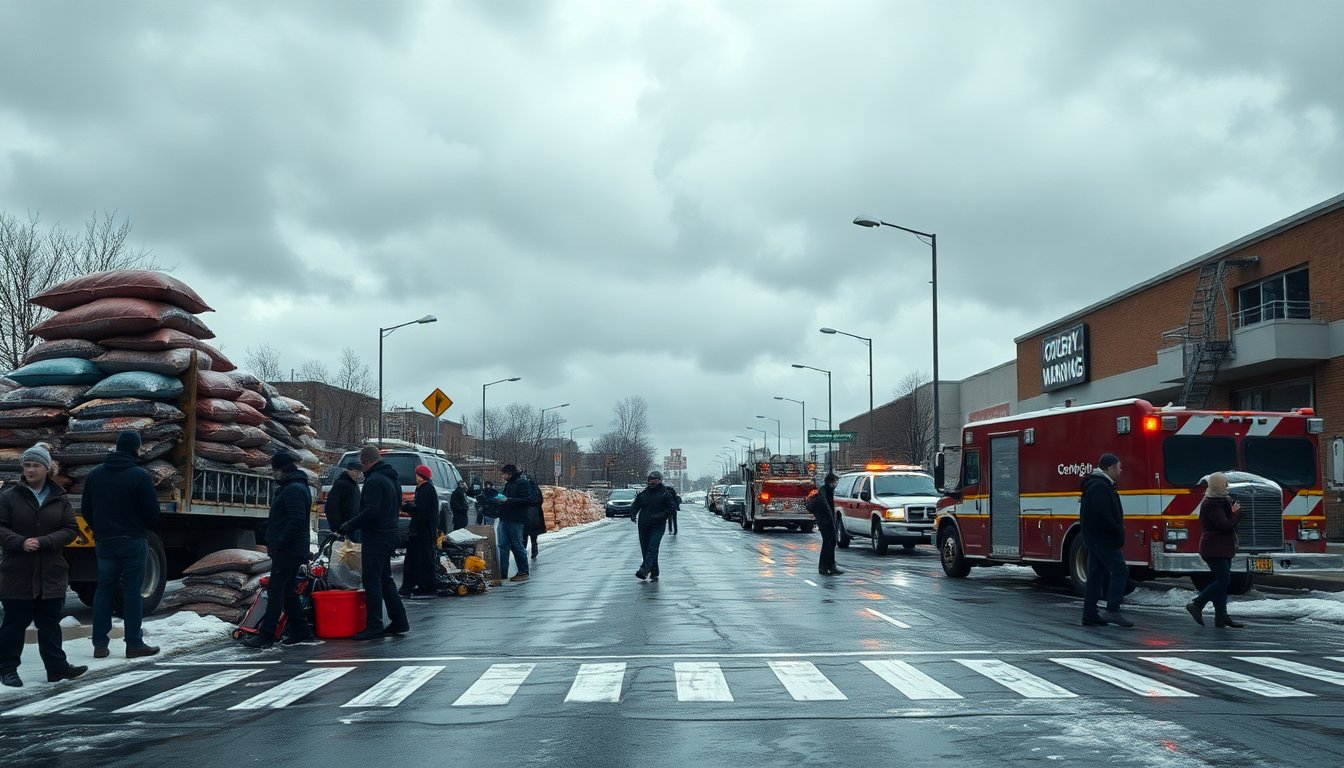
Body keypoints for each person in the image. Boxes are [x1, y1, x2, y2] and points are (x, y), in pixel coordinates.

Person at [0, 444, 86, 687]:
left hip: (51, 572)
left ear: (47, 469)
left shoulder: (58, 498)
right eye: (27, 465)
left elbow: (71, 529)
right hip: (17, 572)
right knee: (14, 623)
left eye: (35, 465)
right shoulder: (9, 496)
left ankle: (56, 667)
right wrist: (20, 542)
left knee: (49, 623)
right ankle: (7, 668)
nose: (30, 469)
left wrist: (45, 541)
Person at [83, 430, 162, 659]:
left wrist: (101, 529)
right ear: (136, 449)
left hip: (105, 542)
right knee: (132, 591)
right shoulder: (140, 476)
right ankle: (134, 643)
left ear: (117, 448)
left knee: (104, 588)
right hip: (133, 541)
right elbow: (152, 513)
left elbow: (87, 509)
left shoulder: (95, 475)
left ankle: (99, 643)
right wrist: (139, 525)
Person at [241, 451, 314, 648]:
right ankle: (301, 629)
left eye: (274, 470)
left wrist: (280, 542)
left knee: (276, 590)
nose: (273, 474)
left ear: (281, 469)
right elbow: (285, 518)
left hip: (288, 550)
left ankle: (267, 635)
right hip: (291, 548)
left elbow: (296, 519)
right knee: (288, 590)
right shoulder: (296, 487)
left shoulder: (293, 489)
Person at [339, 445, 410, 640]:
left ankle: (374, 625)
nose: (363, 470)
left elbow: (371, 511)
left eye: (363, 465)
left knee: (372, 581)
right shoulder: (392, 479)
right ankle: (400, 620)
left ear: (367, 461)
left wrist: (348, 525)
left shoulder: (374, 481)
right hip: (390, 534)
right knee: (385, 579)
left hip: (377, 536)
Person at [1080, 453, 1133, 628]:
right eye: (1119, 466)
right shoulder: (1100, 487)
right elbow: (1102, 514)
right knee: (1120, 570)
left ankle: (1090, 614)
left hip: (1096, 537)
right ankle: (1113, 610)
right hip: (1102, 538)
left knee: (1095, 575)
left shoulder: (1100, 484)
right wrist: (1117, 529)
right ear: (1110, 467)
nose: (1120, 470)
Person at [1186, 472, 1245, 628]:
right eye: (1225, 484)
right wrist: (1236, 513)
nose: (1227, 486)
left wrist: (1232, 512)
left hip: (1223, 547)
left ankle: (1221, 617)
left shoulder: (1220, 500)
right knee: (1223, 580)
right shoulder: (1212, 503)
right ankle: (1197, 604)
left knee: (1223, 582)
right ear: (1219, 486)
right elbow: (1224, 525)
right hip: (1213, 548)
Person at [398, 465, 439, 597]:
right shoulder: (424, 489)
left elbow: (421, 510)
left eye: (416, 474)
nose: (415, 477)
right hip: (422, 531)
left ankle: (423, 586)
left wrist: (407, 508)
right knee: (418, 559)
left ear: (421, 476)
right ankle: (420, 585)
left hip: (422, 531)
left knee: (419, 560)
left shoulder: (427, 490)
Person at [630, 471, 678, 581]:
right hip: (644, 525)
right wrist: (633, 514)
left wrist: (660, 516)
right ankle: (654, 571)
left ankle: (644, 569)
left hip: (658, 525)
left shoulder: (665, 493)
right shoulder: (644, 493)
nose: (651, 481)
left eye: (654, 479)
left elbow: (671, 508)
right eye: (649, 479)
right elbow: (636, 505)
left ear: (659, 480)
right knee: (646, 549)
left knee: (653, 547)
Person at [496, 464, 535, 582]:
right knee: (503, 546)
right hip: (504, 518)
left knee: (517, 545)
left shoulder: (522, 483)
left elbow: (527, 500)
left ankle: (523, 571)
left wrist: (508, 500)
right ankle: (502, 573)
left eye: (504, 473)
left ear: (509, 473)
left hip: (515, 520)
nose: (502, 476)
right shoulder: (509, 484)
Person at [809, 472, 843, 576]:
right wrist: (828, 519)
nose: (836, 484)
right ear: (830, 482)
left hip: (828, 521)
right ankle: (823, 568)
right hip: (825, 522)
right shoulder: (824, 491)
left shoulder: (828, 491)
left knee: (831, 543)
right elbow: (824, 506)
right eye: (835, 482)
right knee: (827, 543)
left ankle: (831, 566)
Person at [324, 456, 363, 544]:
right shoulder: (341, 484)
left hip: (354, 527)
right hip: (344, 528)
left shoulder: (355, 485)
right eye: (356, 472)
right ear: (349, 470)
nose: (358, 475)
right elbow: (331, 507)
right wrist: (338, 527)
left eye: (360, 473)